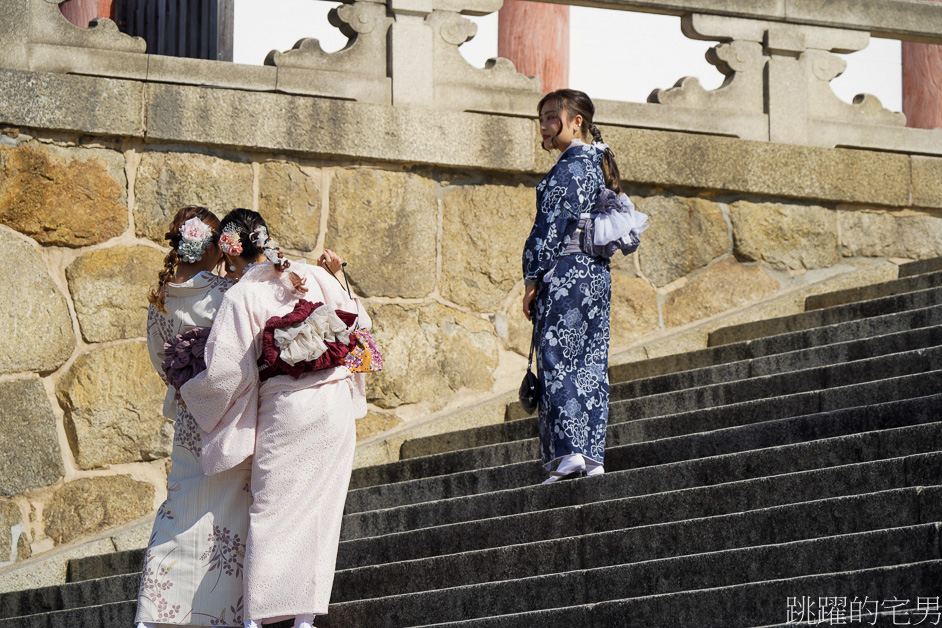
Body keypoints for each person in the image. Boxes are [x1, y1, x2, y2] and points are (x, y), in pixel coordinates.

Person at [180, 209, 370, 628]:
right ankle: (303, 621)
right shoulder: (311, 275)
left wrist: (189, 390)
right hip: (335, 402)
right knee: (321, 510)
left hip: (289, 409)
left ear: (230, 254)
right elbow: (360, 325)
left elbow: (228, 373)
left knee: (271, 512)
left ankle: (256, 620)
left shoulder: (241, 296)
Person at [137, 206, 251, 628]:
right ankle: (218, 614)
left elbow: (160, 360)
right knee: (228, 515)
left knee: (180, 510)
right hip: (228, 415)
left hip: (187, 418)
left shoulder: (160, 301)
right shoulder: (226, 294)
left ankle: (156, 611)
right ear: (210, 247)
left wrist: (187, 385)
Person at [522, 89, 634, 484]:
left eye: (553, 118)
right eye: (542, 119)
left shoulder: (570, 166)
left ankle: (569, 454)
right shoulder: (596, 161)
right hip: (595, 275)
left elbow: (551, 224)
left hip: (566, 272)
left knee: (558, 359)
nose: (546, 126)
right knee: (589, 362)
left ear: (576, 122)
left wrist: (533, 276)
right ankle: (592, 453)